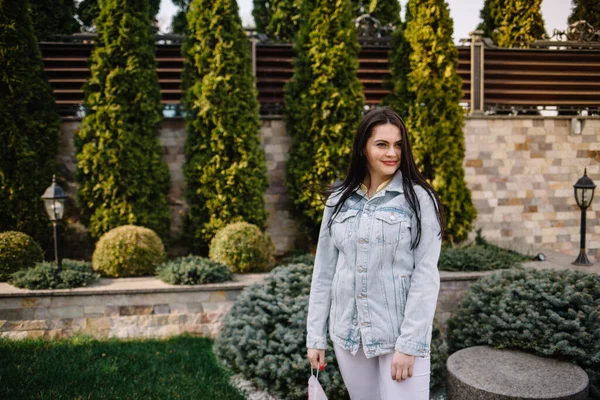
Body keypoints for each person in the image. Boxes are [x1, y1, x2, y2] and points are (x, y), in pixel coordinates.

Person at [306, 107, 445, 400]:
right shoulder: (338, 200)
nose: (392, 153)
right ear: (363, 149)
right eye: (382, 144)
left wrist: (408, 345)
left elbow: (426, 275)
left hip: (399, 338)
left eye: (398, 145)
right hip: (348, 337)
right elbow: (324, 272)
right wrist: (315, 337)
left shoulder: (419, 200)